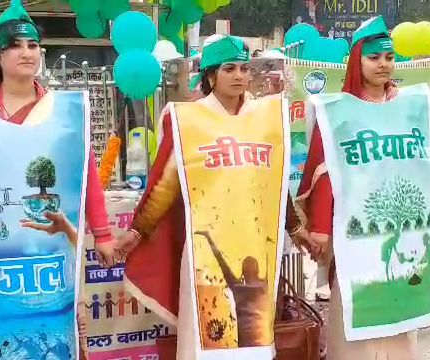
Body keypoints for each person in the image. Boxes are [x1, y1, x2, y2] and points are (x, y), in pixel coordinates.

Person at [109, 35, 314, 360]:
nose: (239, 76)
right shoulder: (189, 121)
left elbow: (272, 181)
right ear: (209, 76)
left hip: (256, 244)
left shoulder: (266, 119)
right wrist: (138, 231)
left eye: (244, 68)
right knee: (207, 338)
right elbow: (165, 184)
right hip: (206, 248)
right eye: (229, 68)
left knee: (254, 340)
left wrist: (294, 228)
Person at [0, 1, 114, 358]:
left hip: (53, 258)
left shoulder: (66, 114)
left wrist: (103, 233)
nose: (27, 52)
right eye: (16, 45)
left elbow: (87, 179)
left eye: (33, 45)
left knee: (58, 337)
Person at [298, 16, 420, 360]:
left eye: (389, 58)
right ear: (357, 61)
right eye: (374, 57)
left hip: (397, 229)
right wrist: (319, 229)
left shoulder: (406, 108)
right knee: (354, 310)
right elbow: (323, 172)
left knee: (398, 310)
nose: (383, 65)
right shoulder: (340, 112)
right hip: (354, 230)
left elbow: (422, 165)